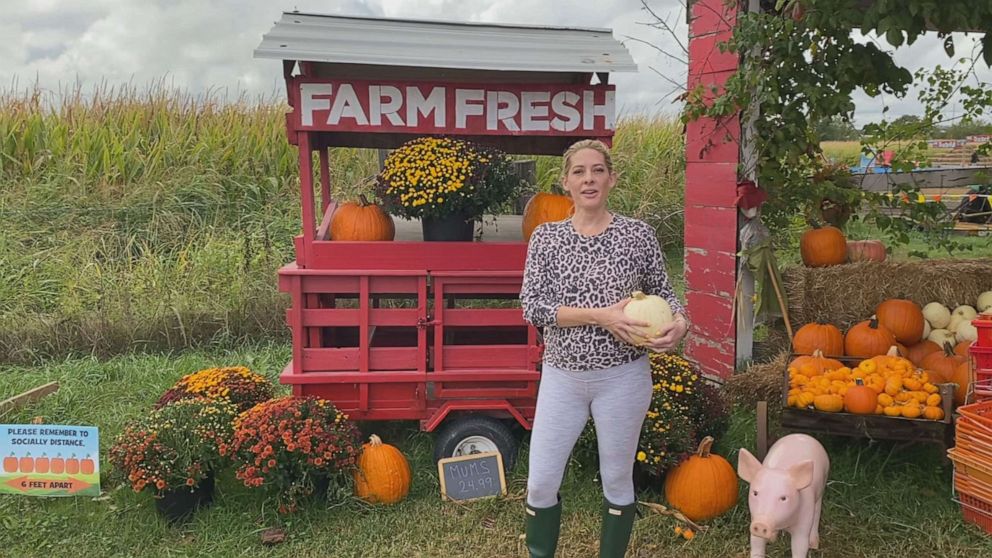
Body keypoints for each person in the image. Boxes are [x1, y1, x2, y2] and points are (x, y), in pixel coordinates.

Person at [519, 139, 689, 558]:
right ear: (566, 182)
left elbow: (667, 294)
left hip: (623, 378)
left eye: (597, 170)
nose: (589, 179)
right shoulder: (546, 238)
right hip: (563, 377)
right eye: (579, 171)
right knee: (541, 481)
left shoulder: (638, 235)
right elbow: (533, 306)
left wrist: (681, 324)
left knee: (616, 478)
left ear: (611, 178)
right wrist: (602, 316)